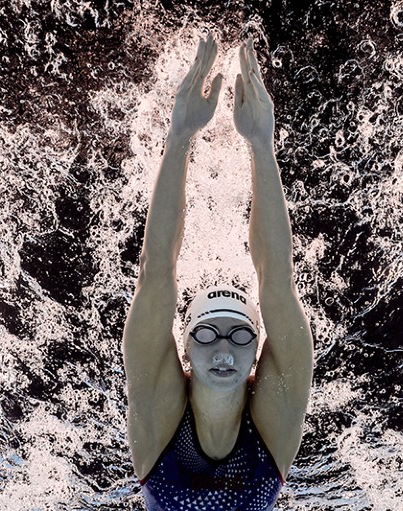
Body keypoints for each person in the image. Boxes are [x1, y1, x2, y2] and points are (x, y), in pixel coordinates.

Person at [122, 34, 314, 511]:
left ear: (258, 350)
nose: (225, 350)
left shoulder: (275, 416)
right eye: (207, 334)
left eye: (238, 335)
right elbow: (156, 277)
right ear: (184, 346)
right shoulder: (161, 412)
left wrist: (258, 145)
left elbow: (276, 285)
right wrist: (185, 137)